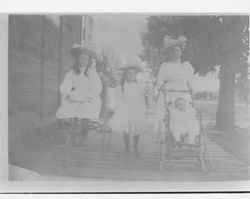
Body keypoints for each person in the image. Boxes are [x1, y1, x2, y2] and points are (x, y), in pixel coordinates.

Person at [56, 42, 102, 145]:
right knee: (69, 104)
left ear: (88, 61)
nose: (83, 61)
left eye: (85, 59)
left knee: (85, 108)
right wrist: (67, 93)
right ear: (77, 59)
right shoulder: (72, 72)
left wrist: (89, 95)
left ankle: (83, 137)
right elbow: (65, 85)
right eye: (81, 58)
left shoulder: (91, 73)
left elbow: (97, 87)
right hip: (76, 95)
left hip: (88, 96)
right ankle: (72, 134)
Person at [154, 35, 195, 136]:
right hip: (169, 93)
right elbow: (159, 81)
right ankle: (170, 133)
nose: (175, 53)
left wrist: (191, 89)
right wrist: (162, 87)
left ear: (181, 52)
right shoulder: (165, 66)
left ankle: (183, 133)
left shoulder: (187, 66)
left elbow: (191, 81)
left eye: (177, 50)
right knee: (169, 113)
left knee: (183, 113)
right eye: (173, 51)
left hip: (183, 93)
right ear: (170, 53)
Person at [108, 65, 146, 156]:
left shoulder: (138, 86)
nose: (131, 75)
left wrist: (141, 108)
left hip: (136, 108)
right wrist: (119, 108)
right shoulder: (121, 87)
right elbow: (118, 99)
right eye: (129, 73)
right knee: (126, 128)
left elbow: (141, 98)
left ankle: (136, 147)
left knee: (136, 128)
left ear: (135, 75)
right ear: (125, 75)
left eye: (133, 73)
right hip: (125, 108)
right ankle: (127, 147)